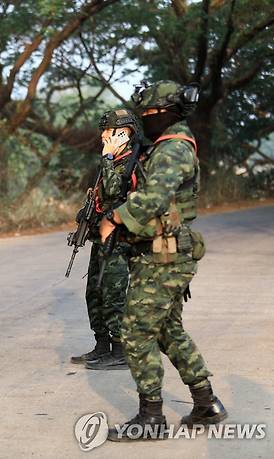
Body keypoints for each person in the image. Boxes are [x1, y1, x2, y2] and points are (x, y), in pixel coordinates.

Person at [98, 81, 227, 441]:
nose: (145, 121)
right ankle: (206, 403)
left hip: (164, 256)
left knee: (136, 331)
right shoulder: (162, 147)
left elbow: (154, 198)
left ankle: (150, 418)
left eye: (148, 114)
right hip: (162, 252)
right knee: (168, 330)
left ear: (164, 114)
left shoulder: (172, 149)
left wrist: (114, 219)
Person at [71, 109, 143, 371]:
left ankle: (120, 350)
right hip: (102, 239)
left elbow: (115, 191)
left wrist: (108, 159)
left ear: (124, 133)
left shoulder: (130, 163)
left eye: (108, 131)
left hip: (119, 240)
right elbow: (102, 198)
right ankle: (101, 345)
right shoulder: (112, 162)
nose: (103, 135)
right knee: (95, 292)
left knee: (113, 294)